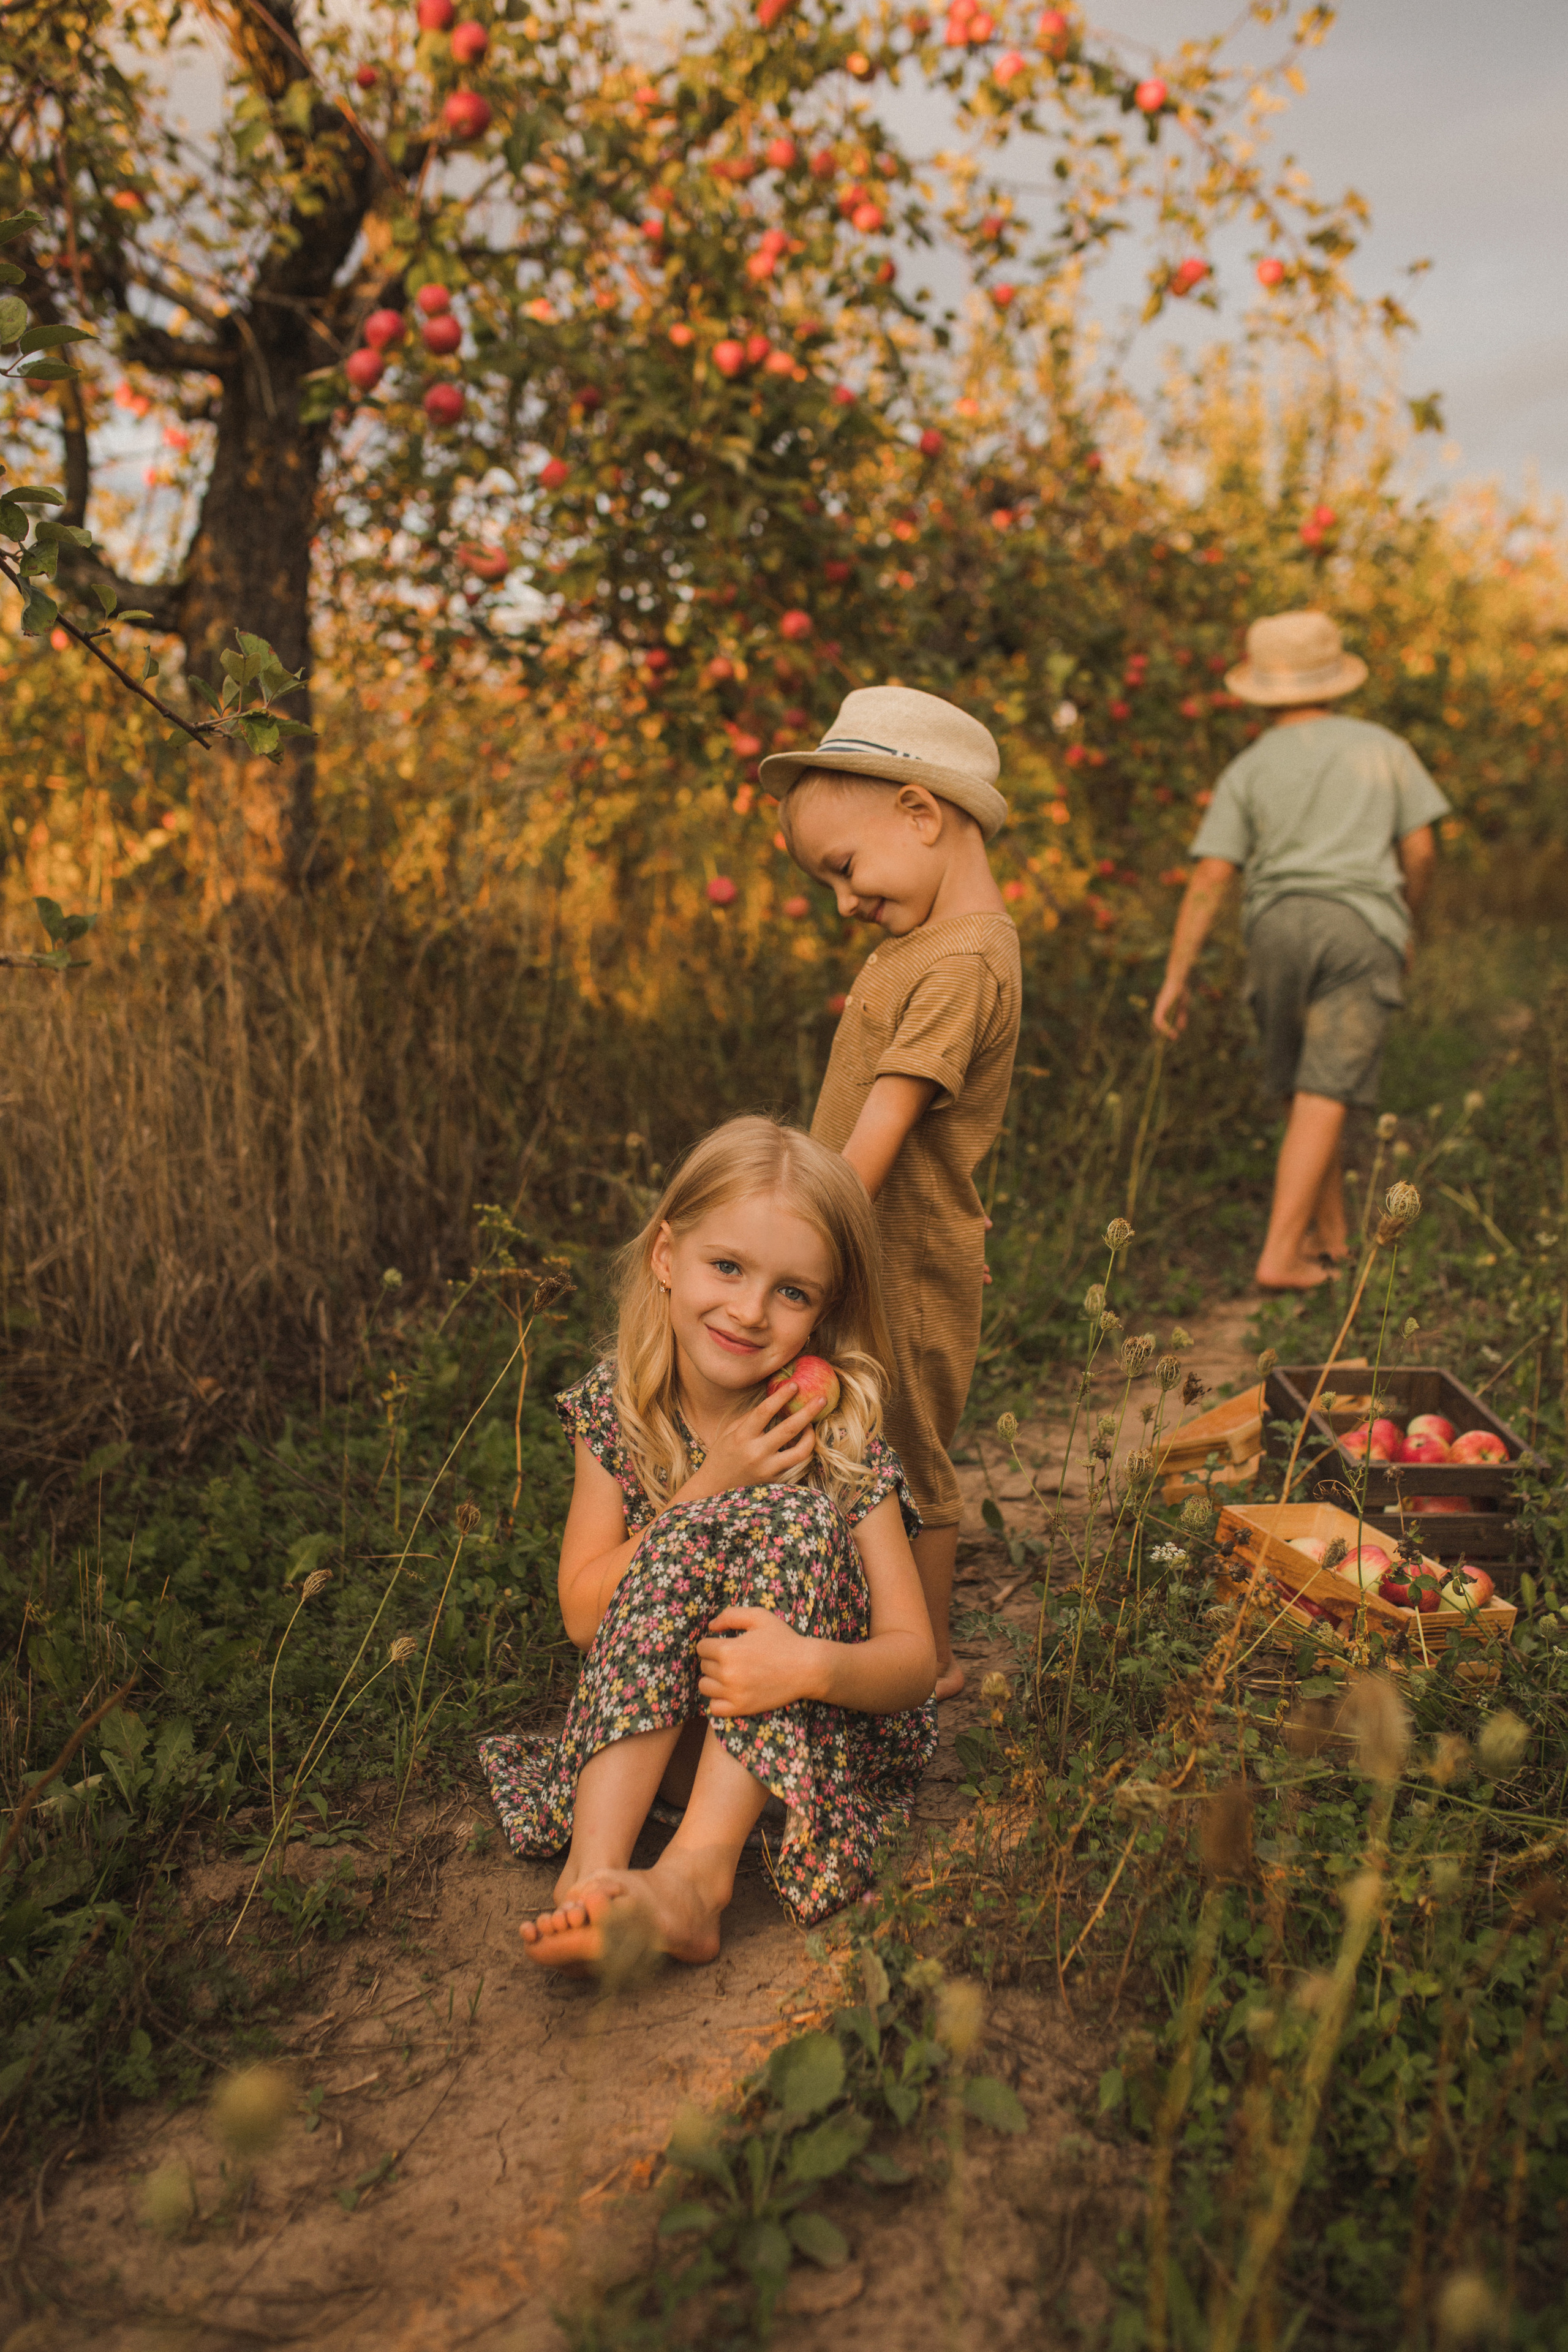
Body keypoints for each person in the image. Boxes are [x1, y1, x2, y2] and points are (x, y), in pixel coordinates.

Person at [480, 1115, 938, 1973]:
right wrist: (708, 1485)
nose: (749, 1311)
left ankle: (696, 1877)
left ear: (824, 1310)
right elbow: (586, 1617)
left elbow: (915, 1661)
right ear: (665, 1257)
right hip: (673, 1741)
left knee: (790, 1517)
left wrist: (810, 1666)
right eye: (726, 1267)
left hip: (809, 1742)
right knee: (695, 1527)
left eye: (792, 1292)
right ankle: (596, 1869)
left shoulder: (835, 1432)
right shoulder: (615, 1412)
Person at [761, 686, 1022, 1701]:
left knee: (909, 1445)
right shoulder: (925, 946)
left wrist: (796, 1240)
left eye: (845, 869)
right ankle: (871, 1613)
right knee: (856, 1427)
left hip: (894, 1251)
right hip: (872, 1242)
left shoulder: (961, 962)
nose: (844, 901)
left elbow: (884, 1128)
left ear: (921, 814)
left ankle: (931, 1660)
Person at [1151, 609, 1449, 1292]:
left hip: (1274, 925)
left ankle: (1332, 1241)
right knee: (1325, 1094)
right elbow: (1422, 849)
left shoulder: (1247, 767)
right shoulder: (1383, 748)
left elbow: (1211, 875)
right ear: (1336, 679)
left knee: (1300, 1092)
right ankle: (1280, 1256)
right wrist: (1405, 917)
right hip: (1358, 924)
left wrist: (1176, 975)